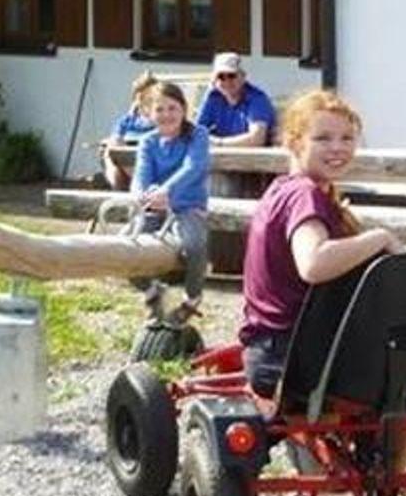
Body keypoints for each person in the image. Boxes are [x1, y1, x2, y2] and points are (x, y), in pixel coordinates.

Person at [238, 88, 406, 496]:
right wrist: (378, 238)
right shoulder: (305, 196)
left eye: (346, 137)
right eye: (323, 138)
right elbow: (314, 263)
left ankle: (352, 482)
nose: (337, 148)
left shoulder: (284, 190)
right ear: (293, 142)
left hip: (274, 349)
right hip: (297, 359)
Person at [130, 80, 210, 321]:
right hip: (156, 208)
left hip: (188, 206)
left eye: (172, 108)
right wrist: (142, 195)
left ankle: (192, 296)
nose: (167, 114)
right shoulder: (148, 142)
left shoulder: (198, 135)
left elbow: (193, 167)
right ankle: (151, 291)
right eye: (160, 109)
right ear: (149, 113)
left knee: (194, 245)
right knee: (125, 247)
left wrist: (166, 190)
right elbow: (141, 176)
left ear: (183, 109)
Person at [196, 51, 276, 146]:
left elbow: (257, 139)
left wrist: (219, 142)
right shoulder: (213, 97)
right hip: (222, 153)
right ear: (214, 80)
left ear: (243, 77)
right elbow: (196, 132)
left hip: (254, 154)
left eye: (231, 75)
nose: (227, 81)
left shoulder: (257, 99)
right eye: (221, 77)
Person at [101, 70, 160, 190]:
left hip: (150, 160)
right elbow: (116, 137)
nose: (143, 102)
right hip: (127, 161)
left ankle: (139, 185)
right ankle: (127, 187)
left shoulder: (161, 118)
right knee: (109, 152)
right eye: (140, 98)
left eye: (149, 98)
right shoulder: (127, 121)